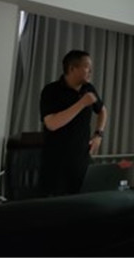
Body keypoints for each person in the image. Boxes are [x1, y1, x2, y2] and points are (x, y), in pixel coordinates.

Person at [40, 50, 108, 196]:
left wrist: (98, 135)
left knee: (82, 201)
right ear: (72, 68)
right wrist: (81, 103)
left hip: (82, 159)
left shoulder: (88, 88)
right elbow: (51, 124)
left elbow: (102, 111)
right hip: (56, 162)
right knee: (57, 204)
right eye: (87, 67)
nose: (91, 71)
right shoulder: (51, 90)